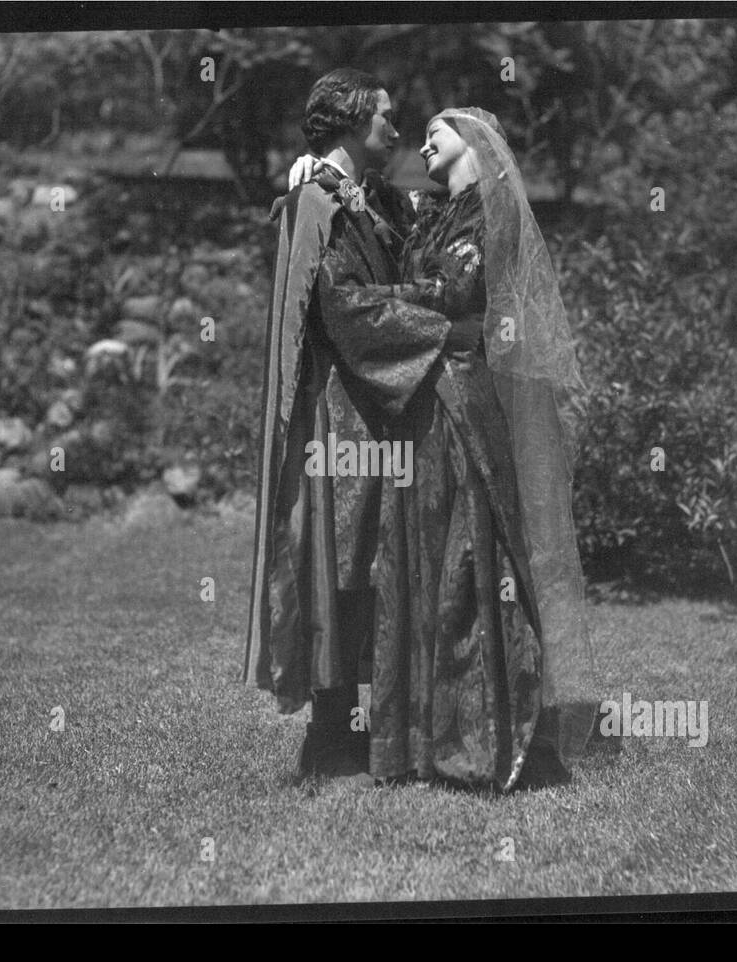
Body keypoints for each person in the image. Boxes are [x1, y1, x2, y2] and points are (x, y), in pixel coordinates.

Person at [289, 107, 598, 791]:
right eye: (412, 126)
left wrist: (369, 301)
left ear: (477, 144)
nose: (420, 138)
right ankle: (424, 736)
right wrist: (321, 175)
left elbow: (454, 291)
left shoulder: (488, 211)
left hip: (461, 400)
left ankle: (486, 734)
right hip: (429, 400)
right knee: (424, 558)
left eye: (438, 129)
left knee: (470, 557)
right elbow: (382, 216)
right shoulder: (434, 210)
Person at [242, 70, 455, 784]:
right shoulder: (316, 202)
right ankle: (331, 735)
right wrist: (440, 328)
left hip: (373, 409)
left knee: (371, 563)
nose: (396, 130)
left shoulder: (370, 197)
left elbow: (432, 235)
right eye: (385, 118)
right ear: (350, 122)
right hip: (340, 413)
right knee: (336, 564)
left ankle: (375, 724)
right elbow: (340, 308)